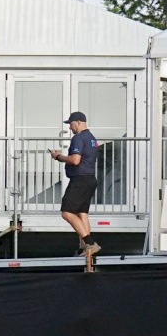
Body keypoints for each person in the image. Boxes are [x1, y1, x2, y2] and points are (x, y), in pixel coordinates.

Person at [52, 110, 101, 270]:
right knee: (82, 213)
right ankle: (85, 250)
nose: (70, 128)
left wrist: (59, 157)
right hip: (90, 179)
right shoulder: (92, 139)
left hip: (80, 179)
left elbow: (75, 160)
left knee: (66, 212)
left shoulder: (79, 137)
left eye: (71, 124)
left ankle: (90, 244)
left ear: (78, 122)